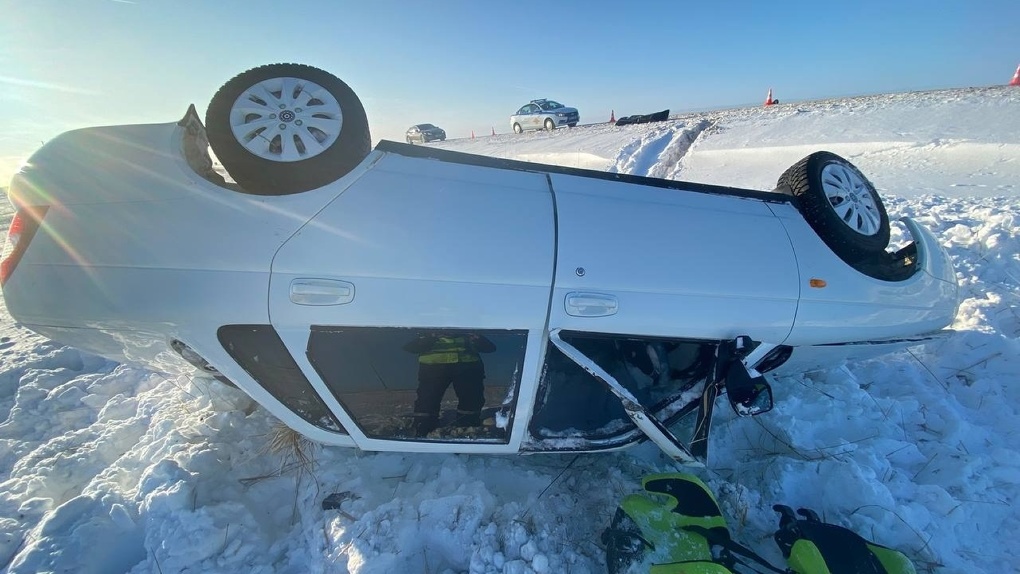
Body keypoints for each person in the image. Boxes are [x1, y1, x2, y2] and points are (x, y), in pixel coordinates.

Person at [403, 331, 496, 437]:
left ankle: (467, 427)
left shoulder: (468, 320)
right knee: (427, 398)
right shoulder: (428, 319)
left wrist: (474, 337)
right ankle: (423, 428)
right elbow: (413, 346)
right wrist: (431, 336)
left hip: (466, 364)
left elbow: (488, 347)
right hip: (434, 365)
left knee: (471, 398)